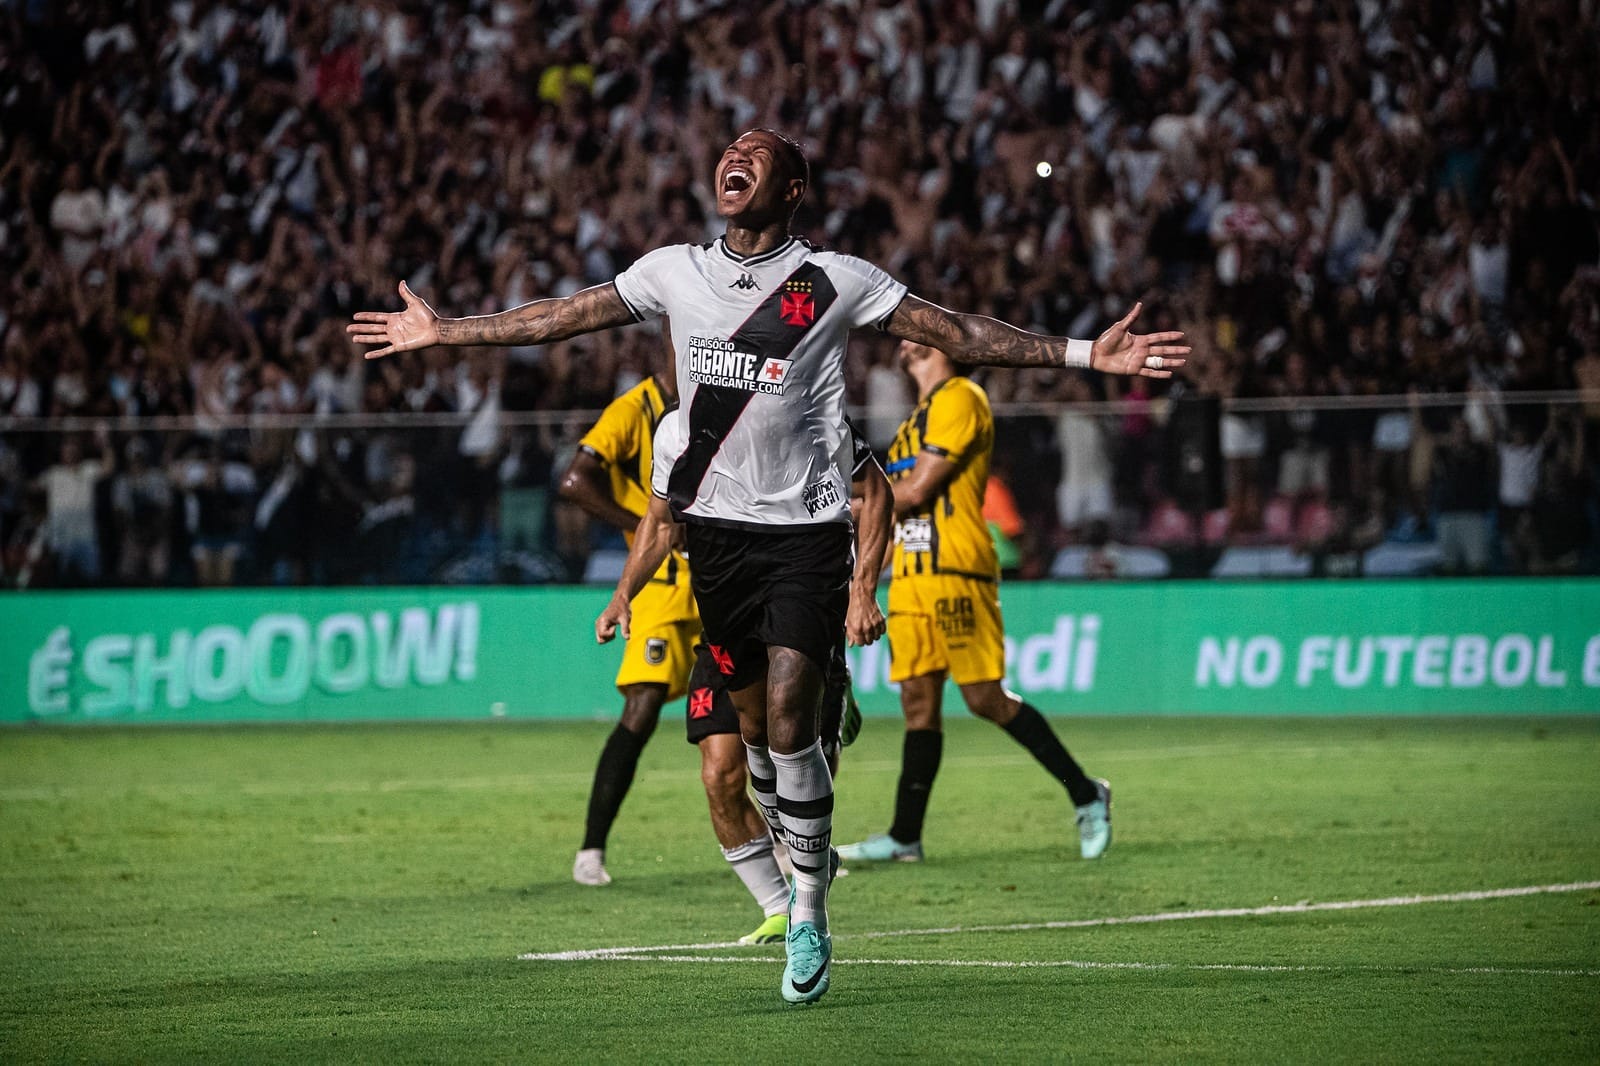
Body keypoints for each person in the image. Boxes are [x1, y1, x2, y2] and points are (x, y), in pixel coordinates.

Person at [348, 128, 1187, 1004]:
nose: (731, 159)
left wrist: (1090, 354)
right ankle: (791, 854)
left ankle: (811, 912)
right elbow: (563, 313)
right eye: (728, 150)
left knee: (789, 710)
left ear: (792, 188)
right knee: (751, 731)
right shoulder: (674, 270)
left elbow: (959, 329)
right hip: (715, 538)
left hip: (806, 533)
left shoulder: (835, 281)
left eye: (756, 153)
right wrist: (448, 332)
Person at [837, 341, 1114, 869]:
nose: (906, 334)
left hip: (956, 570)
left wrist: (835, 503)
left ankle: (1086, 794)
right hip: (913, 577)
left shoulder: (960, 397)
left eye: (922, 329)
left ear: (943, 349)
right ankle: (905, 837)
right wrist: (867, 576)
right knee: (918, 705)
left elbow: (914, 492)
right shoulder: (917, 417)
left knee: (985, 698)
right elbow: (898, 514)